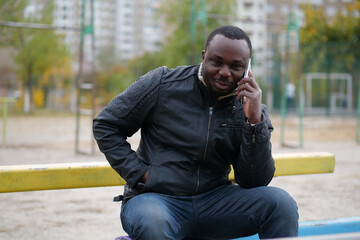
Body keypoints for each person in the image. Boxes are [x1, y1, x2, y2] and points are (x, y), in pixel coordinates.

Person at [93, 25, 298, 240]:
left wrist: (254, 122)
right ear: (204, 56)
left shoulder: (250, 108)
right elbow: (106, 124)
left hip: (216, 202)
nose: (225, 72)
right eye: (217, 62)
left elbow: (254, 181)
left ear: (248, 69)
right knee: (153, 223)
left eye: (236, 66)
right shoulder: (163, 83)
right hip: (155, 199)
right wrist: (141, 175)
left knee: (281, 204)